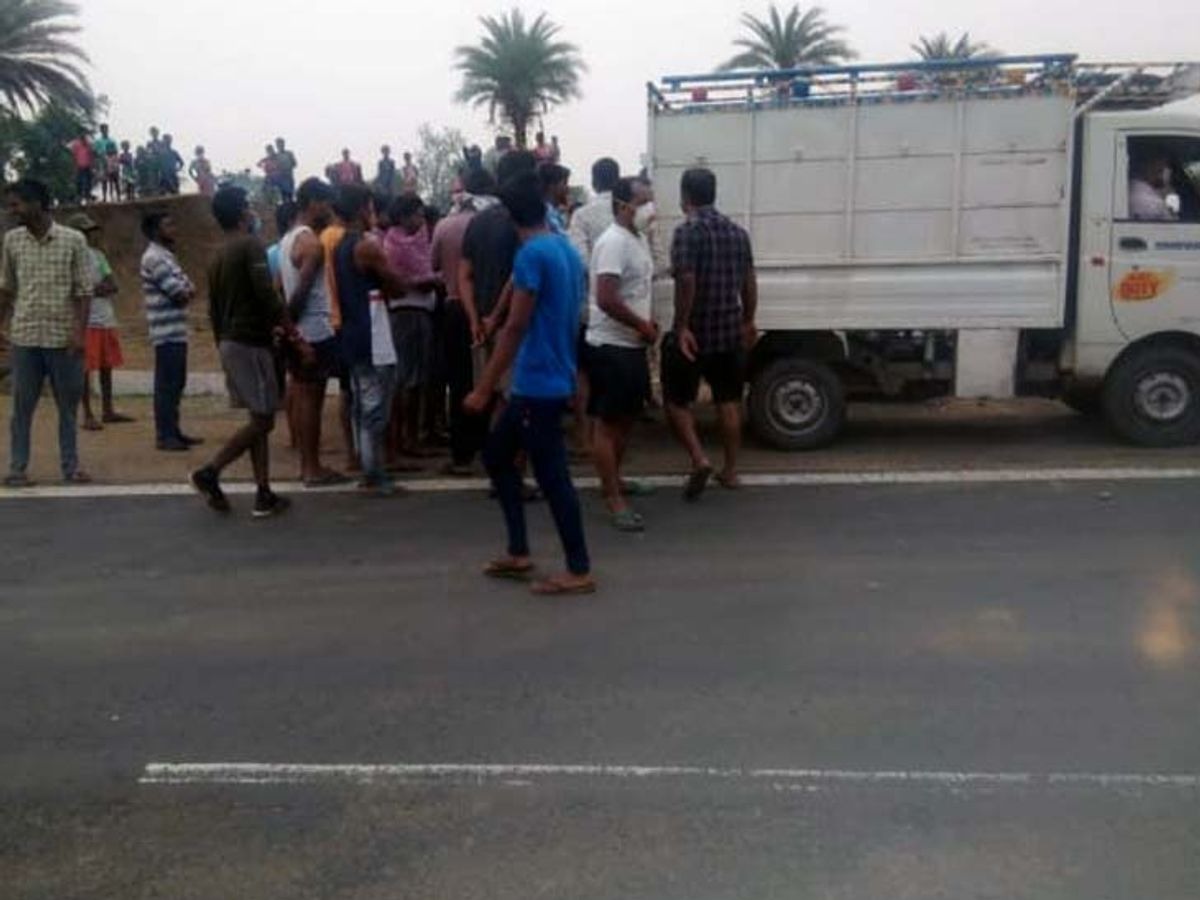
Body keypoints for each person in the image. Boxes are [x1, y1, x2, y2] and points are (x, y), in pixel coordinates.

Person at [463, 171, 594, 596]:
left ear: (509, 217)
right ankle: (518, 550)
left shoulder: (532, 256)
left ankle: (578, 568)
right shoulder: (561, 248)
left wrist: (484, 387)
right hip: (550, 375)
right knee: (498, 457)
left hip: (538, 381)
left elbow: (517, 327)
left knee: (552, 477)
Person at [191, 186, 290, 518]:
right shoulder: (250, 245)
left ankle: (264, 492)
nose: (252, 211)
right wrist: (290, 330)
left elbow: (214, 309)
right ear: (240, 212)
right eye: (247, 205)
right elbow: (267, 295)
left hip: (231, 342)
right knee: (264, 419)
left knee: (257, 419)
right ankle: (211, 471)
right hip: (251, 342)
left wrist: (222, 343)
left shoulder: (217, 255)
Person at [664, 167, 758, 500]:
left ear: (685, 196)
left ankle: (699, 458)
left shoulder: (687, 232)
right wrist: (748, 319)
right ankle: (730, 470)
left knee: (676, 400)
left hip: (695, 333)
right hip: (729, 329)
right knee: (729, 401)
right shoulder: (738, 233)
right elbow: (749, 280)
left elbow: (686, 280)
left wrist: (681, 325)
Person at [0, 180, 94, 487]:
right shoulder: (12, 241)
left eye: (16, 204)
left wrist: (79, 334)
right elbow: (7, 288)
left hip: (62, 337)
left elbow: (84, 291)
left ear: (37, 204)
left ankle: (70, 466)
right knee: (21, 408)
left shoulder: (73, 240)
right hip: (25, 336)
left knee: (67, 407)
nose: (12, 211)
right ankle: (17, 468)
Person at [586, 178, 659, 531]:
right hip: (611, 345)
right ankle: (613, 498)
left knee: (627, 418)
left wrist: (646, 323)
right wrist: (640, 324)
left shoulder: (637, 239)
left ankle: (616, 479)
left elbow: (636, 290)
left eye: (650, 201)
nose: (650, 209)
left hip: (632, 344)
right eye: (643, 202)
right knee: (608, 424)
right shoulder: (612, 242)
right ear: (622, 204)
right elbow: (606, 298)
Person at [330, 184, 412, 496]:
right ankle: (373, 474)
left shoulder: (340, 246)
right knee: (375, 408)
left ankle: (370, 469)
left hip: (354, 332)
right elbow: (397, 285)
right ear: (364, 208)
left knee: (363, 405)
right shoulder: (366, 247)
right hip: (372, 335)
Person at [458, 151, 538, 468]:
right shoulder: (524, 223)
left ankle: (502, 470)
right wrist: (495, 318)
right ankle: (509, 472)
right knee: (517, 402)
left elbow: (464, 275)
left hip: (483, 324)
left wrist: (474, 319)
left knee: (498, 400)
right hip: (514, 324)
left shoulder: (478, 222)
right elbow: (520, 276)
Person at [279, 178, 347, 487]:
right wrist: (294, 333)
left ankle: (309, 464)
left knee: (304, 395)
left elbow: (282, 289)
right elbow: (301, 294)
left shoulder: (288, 239)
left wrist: (287, 330)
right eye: (326, 203)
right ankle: (311, 467)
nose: (330, 210)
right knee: (311, 400)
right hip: (313, 331)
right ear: (313, 203)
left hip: (301, 329)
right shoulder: (311, 244)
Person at [432, 167, 493, 475]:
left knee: (459, 382)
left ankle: (461, 455)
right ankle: (491, 446)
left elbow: (434, 264)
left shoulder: (445, 225)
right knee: (491, 379)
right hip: (489, 310)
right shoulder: (493, 224)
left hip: (455, 307)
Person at [383, 193, 440, 460]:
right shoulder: (396, 245)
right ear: (404, 216)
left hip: (415, 312)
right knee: (408, 380)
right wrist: (430, 280)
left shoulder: (414, 240)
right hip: (408, 313)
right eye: (417, 214)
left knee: (413, 379)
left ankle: (408, 437)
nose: (421, 219)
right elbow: (401, 280)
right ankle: (406, 439)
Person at [140, 210, 200, 452]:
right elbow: (181, 292)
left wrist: (186, 291)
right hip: (166, 332)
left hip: (175, 330)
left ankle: (173, 431)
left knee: (175, 383)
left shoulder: (166, 256)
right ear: (156, 231)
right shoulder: (155, 258)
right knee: (168, 384)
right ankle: (165, 435)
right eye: (168, 225)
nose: (173, 229)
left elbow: (189, 288)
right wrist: (186, 291)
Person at [69, 213, 133, 432]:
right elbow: (77, 289)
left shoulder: (98, 255)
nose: (90, 235)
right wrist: (97, 289)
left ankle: (107, 410)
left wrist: (93, 289)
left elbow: (111, 285)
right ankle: (87, 413)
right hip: (86, 320)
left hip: (104, 318)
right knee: (85, 369)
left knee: (106, 366)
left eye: (90, 231)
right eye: (86, 232)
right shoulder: (70, 258)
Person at [1130, 148, 1178, 221]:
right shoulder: (1154, 204)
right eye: (1164, 166)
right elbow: (1174, 225)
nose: (1167, 171)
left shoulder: (1130, 187)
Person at [539, 163, 571, 234]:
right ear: (552, 186)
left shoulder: (555, 212)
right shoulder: (547, 214)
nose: (567, 188)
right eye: (564, 183)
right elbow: (564, 237)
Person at [93, 125, 120, 203]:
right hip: (102, 162)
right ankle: (104, 197)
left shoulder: (112, 141)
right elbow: (95, 152)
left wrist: (116, 163)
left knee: (115, 180)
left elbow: (116, 152)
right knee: (104, 180)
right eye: (103, 129)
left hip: (112, 162)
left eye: (106, 129)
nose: (105, 131)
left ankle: (118, 196)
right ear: (101, 131)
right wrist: (99, 158)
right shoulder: (98, 141)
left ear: (108, 130)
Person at [67, 130, 95, 204]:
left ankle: (87, 196)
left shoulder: (88, 143)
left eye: (84, 134)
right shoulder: (76, 144)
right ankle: (79, 197)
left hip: (87, 165)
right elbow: (73, 155)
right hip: (79, 165)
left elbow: (91, 155)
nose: (83, 135)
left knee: (88, 182)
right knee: (79, 181)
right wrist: (73, 165)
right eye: (81, 134)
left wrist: (92, 165)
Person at [274, 138, 298, 203]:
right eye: (278, 144)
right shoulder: (276, 156)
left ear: (283, 144)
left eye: (281, 144)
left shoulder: (289, 153)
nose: (280, 145)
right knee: (283, 196)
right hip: (281, 178)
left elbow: (295, 164)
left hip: (289, 177)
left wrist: (287, 166)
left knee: (290, 196)